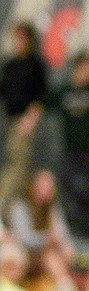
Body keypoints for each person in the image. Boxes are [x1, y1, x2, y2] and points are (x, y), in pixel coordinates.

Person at [44, 52, 89, 237]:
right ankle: (68, 222)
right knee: (65, 182)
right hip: (71, 148)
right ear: (79, 67)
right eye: (88, 67)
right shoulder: (65, 90)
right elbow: (44, 104)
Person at [0, 22, 47, 217]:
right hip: (8, 119)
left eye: (21, 37)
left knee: (19, 165)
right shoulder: (11, 65)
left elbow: (41, 97)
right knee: (11, 161)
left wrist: (30, 119)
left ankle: (5, 207)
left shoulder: (35, 65)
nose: (17, 41)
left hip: (24, 120)